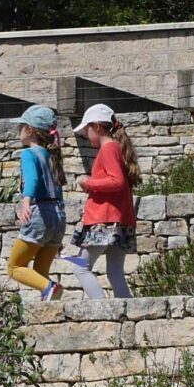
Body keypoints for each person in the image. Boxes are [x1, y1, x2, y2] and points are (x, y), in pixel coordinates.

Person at [61, 103, 139, 297]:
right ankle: (127, 315)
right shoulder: (117, 149)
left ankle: (102, 310)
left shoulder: (107, 150)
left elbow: (116, 181)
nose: (86, 136)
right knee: (114, 273)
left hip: (104, 219)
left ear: (97, 126)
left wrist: (88, 182)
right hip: (120, 219)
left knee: (81, 267)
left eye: (87, 130)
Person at [5, 105, 69, 299]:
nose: (18, 131)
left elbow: (31, 179)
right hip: (58, 216)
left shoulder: (29, 154)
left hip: (40, 212)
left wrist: (26, 201)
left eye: (21, 126)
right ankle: (49, 296)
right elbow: (58, 188)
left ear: (30, 130)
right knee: (41, 276)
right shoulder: (53, 155)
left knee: (15, 267)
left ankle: (50, 288)